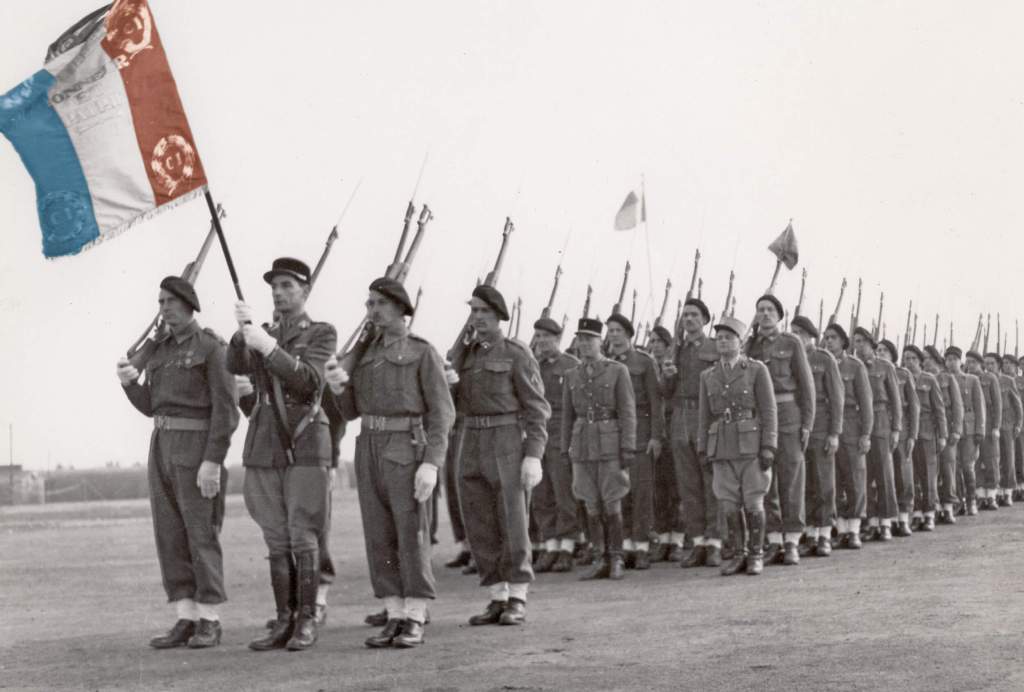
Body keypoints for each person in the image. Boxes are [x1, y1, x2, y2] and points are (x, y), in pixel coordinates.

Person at [325, 277, 455, 649]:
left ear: (400, 308)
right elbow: (350, 412)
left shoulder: (422, 351)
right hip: (368, 446)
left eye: (379, 303)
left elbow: (442, 415)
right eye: (368, 304)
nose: (372, 310)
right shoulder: (364, 354)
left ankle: (415, 614)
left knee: (410, 533)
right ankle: (394, 611)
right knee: (378, 535)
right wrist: (338, 387)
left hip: (406, 447)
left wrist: (431, 463)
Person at [116, 277, 239, 650]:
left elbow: (227, 410)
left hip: (196, 447)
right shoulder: (161, 350)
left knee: (200, 533)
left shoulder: (212, 348)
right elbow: (152, 405)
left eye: (171, 301)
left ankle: (210, 620)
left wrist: (212, 460)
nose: (165, 307)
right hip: (162, 446)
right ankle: (185, 616)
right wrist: (129, 385)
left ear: (189, 305)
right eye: (161, 301)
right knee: (169, 534)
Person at [227, 257, 337, 652]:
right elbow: (236, 365)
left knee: (303, 534)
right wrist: (241, 335)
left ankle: (307, 620)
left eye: (288, 285)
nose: (278, 292)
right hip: (265, 443)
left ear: (305, 291)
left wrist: (269, 347)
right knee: (275, 538)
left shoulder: (322, 333)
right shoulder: (263, 332)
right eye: (274, 286)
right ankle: (285, 619)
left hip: (305, 442)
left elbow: (308, 382)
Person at [454, 285, 550, 626]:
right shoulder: (467, 355)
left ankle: (518, 596)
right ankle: (496, 595)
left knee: (512, 519)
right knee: (479, 521)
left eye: (484, 312)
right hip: (471, 440)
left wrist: (533, 455)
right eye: (473, 311)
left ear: (498, 316)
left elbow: (537, 408)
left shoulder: (516, 353)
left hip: (506, 438)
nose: (477, 317)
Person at [698, 315, 778, 576]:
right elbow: (704, 415)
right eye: (719, 338)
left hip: (750, 444)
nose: (723, 342)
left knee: (754, 502)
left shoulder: (755, 370)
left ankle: (756, 554)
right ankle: (739, 553)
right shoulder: (708, 375)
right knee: (728, 503)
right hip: (720, 446)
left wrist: (769, 446)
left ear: (740, 342)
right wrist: (703, 449)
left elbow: (768, 410)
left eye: (728, 337)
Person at [562, 317, 637, 580]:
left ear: (600, 341)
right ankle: (599, 557)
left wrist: (628, 446)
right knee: (590, 502)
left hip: (610, 443)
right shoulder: (572, 374)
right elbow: (567, 415)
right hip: (582, 445)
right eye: (580, 339)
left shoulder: (617, 371)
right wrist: (565, 448)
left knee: (612, 499)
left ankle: (616, 558)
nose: (584, 344)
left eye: (589, 339)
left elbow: (628, 412)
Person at [745, 294, 814, 565]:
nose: (764, 314)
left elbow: (806, 386)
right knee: (766, 479)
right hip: (760, 418)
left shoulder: (791, 342)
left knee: (792, 477)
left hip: (787, 415)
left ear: (779, 315)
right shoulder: (750, 346)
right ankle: (773, 539)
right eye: (760, 309)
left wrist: (807, 424)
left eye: (770, 310)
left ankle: (792, 540)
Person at [660, 298, 722, 568]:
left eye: (694, 315)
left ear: (706, 320)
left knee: (712, 482)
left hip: (706, 417)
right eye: (685, 315)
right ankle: (697, 542)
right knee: (688, 485)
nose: (689, 319)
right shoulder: (677, 349)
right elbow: (665, 392)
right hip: (680, 419)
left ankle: (716, 542)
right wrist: (668, 375)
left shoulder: (715, 347)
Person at [606, 313, 664, 569]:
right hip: (615, 433)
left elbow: (656, 401)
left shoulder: (644, 361)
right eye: (611, 330)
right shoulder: (605, 363)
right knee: (621, 492)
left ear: (629, 334)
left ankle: (641, 546)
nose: (614, 335)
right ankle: (626, 544)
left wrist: (655, 436)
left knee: (641, 492)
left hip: (641, 432)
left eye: (618, 330)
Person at [530, 317, 581, 573]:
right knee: (542, 494)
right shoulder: (534, 366)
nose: (540, 341)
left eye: (545, 337)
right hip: (539, 435)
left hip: (563, 434)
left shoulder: (572, 365)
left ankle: (568, 547)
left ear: (558, 339)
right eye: (538, 337)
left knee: (564, 493)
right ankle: (550, 545)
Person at [790, 316, 843, 557]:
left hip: (821, 427)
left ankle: (824, 534)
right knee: (805, 483)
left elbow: (837, 399)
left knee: (824, 483)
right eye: (793, 332)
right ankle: (810, 532)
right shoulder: (791, 359)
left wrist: (834, 433)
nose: (796, 337)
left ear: (811, 336)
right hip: (798, 426)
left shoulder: (824, 359)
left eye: (800, 333)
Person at [822, 324, 872, 548]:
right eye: (826, 338)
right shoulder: (820, 363)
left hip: (851, 424)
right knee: (833, 480)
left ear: (843, 341)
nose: (828, 341)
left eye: (833, 338)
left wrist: (866, 434)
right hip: (826, 424)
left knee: (854, 477)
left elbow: (866, 403)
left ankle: (854, 529)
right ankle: (840, 528)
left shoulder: (855, 366)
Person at [853, 328, 902, 540]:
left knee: (884, 473)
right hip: (859, 422)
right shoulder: (854, 367)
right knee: (864, 474)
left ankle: (886, 522)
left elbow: (896, 401)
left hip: (881, 420)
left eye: (862, 342)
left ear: (871, 344)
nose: (858, 346)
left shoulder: (885, 367)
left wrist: (896, 428)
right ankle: (871, 522)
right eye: (855, 342)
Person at [647, 324, 685, 561]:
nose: (655, 346)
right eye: (652, 341)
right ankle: (663, 536)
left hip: (674, 427)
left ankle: (678, 537)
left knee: (678, 487)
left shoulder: (674, 365)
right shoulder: (648, 366)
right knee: (659, 488)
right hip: (656, 431)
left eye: (659, 341)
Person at [902, 345, 947, 531]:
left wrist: (943, 435)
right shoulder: (902, 379)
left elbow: (939, 409)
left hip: (927, 431)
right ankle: (917, 513)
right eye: (906, 359)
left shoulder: (929, 380)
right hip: (908, 432)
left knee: (929, 474)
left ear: (920, 361)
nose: (910, 362)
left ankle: (929, 513)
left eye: (913, 358)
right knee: (912, 475)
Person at [878, 339, 919, 536]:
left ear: (893, 355)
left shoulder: (903, 374)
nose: (881, 353)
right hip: (880, 429)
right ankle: (886, 520)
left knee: (904, 475)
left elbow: (913, 407)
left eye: (885, 350)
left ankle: (903, 519)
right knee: (884, 476)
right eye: (878, 350)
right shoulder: (872, 373)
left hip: (901, 431)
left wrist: (912, 435)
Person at [923, 345, 963, 524]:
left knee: (947, 468)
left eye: (928, 359)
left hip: (946, 427)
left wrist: (956, 430)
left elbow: (957, 406)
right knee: (931, 470)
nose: (925, 362)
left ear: (937, 360)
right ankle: (935, 506)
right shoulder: (922, 378)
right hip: (928, 429)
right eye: (923, 359)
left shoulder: (947, 378)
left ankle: (949, 507)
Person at [946, 347, 985, 516]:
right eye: (948, 359)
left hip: (969, 429)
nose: (951, 362)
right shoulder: (943, 379)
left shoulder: (971, 380)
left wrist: (980, 430)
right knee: (953, 467)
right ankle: (959, 501)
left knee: (968, 466)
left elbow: (979, 406)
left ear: (960, 362)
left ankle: (971, 500)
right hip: (951, 428)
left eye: (954, 359)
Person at [967, 351, 1002, 510]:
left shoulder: (990, 378)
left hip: (988, 425)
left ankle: (992, 495)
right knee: (976, 461)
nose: (970, 365)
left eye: (973, 362)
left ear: (980, 364)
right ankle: (980, 494)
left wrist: (996, 427)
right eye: (968, 362)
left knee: (991, 459)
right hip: (973, 425)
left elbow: (997, 405)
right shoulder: (967, 379)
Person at [993, 353, 1023, 506]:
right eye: (1004, 363)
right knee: (995, 459)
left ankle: (1009, 491)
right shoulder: (987, 380)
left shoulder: (1009, 381)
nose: (1006, 366)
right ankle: (997, 490)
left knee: (1010, 458)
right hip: (993, 424)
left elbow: (1018, 406)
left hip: (1007, 424)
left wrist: (1018, 424)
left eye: (1008, 363)